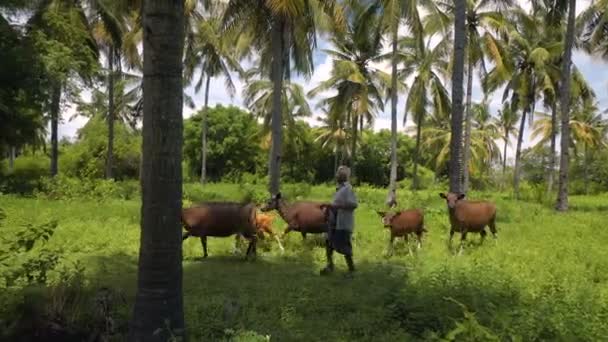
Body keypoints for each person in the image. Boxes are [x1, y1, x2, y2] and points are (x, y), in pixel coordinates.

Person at [320, 165, 358, 277]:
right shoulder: (339, 189)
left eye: (340, 174)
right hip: (334, 222)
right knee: (329, 243)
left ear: (345, 176)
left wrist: (334, 205)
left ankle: (352, 270)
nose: (337, 175)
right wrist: (329, 207)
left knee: (344, 247)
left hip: (342, 223)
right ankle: (330, 265)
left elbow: (354, 205)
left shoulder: (348, 189)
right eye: (337, 173)